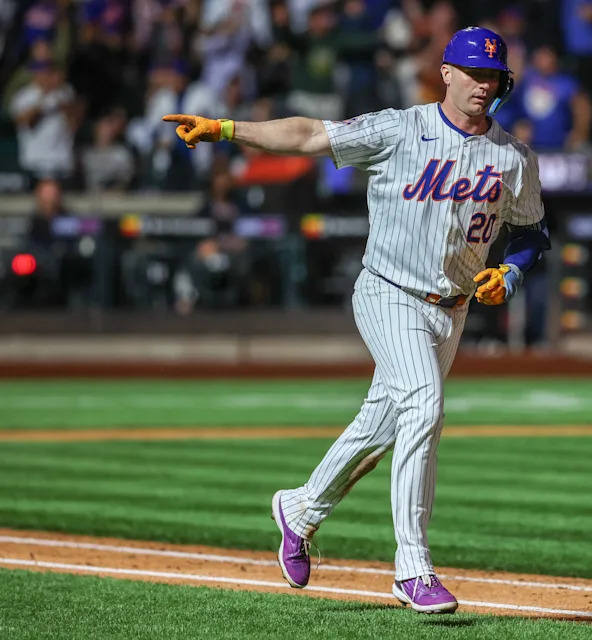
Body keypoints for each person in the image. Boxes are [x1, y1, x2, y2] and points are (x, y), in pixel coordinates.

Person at [162, 26, 549, 614]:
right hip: (389, 291)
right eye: (472, 72)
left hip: (453, 309)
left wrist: (513, 273)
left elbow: (532, 232)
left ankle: (301, 509)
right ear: (445, 73)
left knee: (381, 427)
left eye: (492, 75)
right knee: (425, 404)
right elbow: (310, 134)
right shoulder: (399, 128)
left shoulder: (512, 156)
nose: (482, 84)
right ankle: (412, 568)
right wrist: (224, 127)